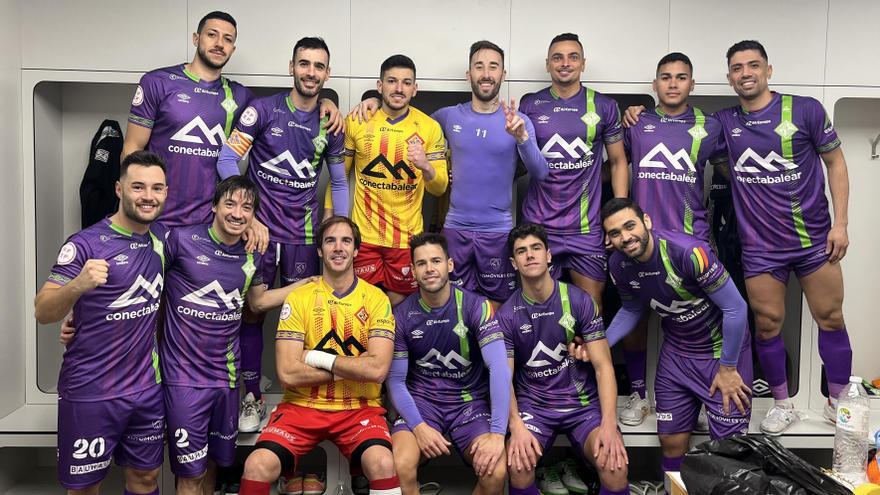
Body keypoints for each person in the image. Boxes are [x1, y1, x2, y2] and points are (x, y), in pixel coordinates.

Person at [624, 40, 852, 435]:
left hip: (813, 238)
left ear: (768, 70)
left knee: (830, 318)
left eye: (753, 66)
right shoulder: (723, 122)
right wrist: (635, 113)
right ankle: (782, 404)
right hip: (759, 245)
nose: (746, 73)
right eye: (737, 68)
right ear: (729, 77)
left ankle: (840, 401)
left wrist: (842, 223)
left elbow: (836, 162)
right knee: (766, 324)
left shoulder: (805, 109)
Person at [215, 36, 350, 433]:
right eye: (304, 64)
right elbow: (227, 158)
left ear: (327, 73)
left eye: (319, 66)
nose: (311, 72)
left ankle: (306, 399)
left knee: (305, 318)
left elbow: (339, 183)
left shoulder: (330, 122)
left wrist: (338, 234)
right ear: (291, 67)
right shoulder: (262, 111)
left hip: (304, 238)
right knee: (253, 312)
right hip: (258, 235)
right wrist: (247, 212)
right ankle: (253, 398)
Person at [348, 41, 548, 306]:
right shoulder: (447, 117)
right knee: (452, 306)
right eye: (479, 66)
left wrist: (522, 138)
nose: (486, 73)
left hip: (498, 231)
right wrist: (373, 100)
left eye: (493, 67)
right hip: (455, 229)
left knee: (497, 307)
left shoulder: (517, 121)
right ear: (469, 75)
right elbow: (406, 117)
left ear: (503, 74)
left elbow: (541, 173)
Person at [159, 177, 318, 494]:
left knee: (212, 467)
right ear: (214, 206)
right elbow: (143, 280)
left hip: (227, 378)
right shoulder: (180, 240)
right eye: (230, 204)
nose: (237, 213)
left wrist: (308, 283)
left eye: (247, 207)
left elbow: (258, 301)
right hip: (184, 378)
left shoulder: (251, 253)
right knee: (189, 474)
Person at [35, 150, 168, 495]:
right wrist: (78, 286)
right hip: (91, 392)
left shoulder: (164, 240)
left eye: (157, 188)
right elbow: (43, 311)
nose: (148, 196)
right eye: (138, 187)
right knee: (84, 489)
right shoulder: (85, 244)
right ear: (119, 189)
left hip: (146, 390)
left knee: (146, 480)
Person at [238, 216, 400, 495]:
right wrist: (351, 366)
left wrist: (314, 357)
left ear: (356, 250)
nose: (338, 248)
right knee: (256, 465)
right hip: (302, 408)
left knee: (384, 463)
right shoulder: (299, 298)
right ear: (320, 251)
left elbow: (377, 371)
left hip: (358, 408)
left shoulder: (376, 299)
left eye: (346, 241)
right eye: (330, 241)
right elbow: (287, 373)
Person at [601, 198, 751, 480]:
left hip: (721, 356)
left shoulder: (689, 252)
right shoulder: (619, 265)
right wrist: (599, 344)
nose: (625, 237)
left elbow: (736, 308)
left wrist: (729, 368)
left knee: (729, 452)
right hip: (677, 356)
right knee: (670, 443)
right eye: (615, 233)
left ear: (646, 221)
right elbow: (633, 308)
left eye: (629, 226)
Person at [616, 52, 728, 426]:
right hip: (640, 242)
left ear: (692, 84)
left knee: (693, 321)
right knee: (638, 317)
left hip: (688, 240)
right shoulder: (636, 122)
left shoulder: (709, 127)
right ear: (655, 85)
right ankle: (638, 394)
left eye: (681, 77)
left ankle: (694, 395)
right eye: (666, 77)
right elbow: (616, 164)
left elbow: (734, 172)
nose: (674, 83)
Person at [488, 224, 629, 495]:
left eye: (536, 248)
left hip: (583, 406)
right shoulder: (506, 315)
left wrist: (610, 426)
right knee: (518, 465)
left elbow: (604, 367)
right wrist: (515, 426)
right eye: (521, 251)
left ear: (549, 255)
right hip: (536, 407)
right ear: (513, 263)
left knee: (614, 466)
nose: (529, 255)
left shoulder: (579, 301)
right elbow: (502, 377)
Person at [387, 232, 510, 494]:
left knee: (496, 471)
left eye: (436, 261)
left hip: (469, 405)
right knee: (398, 465)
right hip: (422, 405)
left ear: (450, 265)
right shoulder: (401, 315)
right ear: (413, 271)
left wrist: (498, 434)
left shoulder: (477, 306)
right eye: (421, 263)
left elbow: (499, 367)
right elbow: (395, 381)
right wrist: (418, 427)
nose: (429, 269)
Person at [517, 33, 629, 310]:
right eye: (558, 57)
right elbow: (518, 161)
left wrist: (618, 214)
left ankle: (584, 355)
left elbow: (617, 161)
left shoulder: (604, 106)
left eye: (572, 57)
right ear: (548, 64)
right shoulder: (530, 105)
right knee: (538, 309)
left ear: (583, 63)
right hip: (539, 226)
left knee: (591, 309)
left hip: (586, 229)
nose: (565, 63)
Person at [327, 55, 448, 306]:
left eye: (406, 83)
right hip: (365, 237)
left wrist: (425, 165)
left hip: (406, 239)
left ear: (415, 89)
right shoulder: (358, 120)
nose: (399, 88)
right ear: (380, 85)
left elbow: (440, 188)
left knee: (403, 305)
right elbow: (338, 178)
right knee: (358, 304)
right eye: (392, 81)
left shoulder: (429, 127)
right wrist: (330, 221)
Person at [123, 11, 254, 237]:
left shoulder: (241, 97)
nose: (219, 44)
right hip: (154, 218)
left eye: (228, 39)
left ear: (233, 49)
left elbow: (282, 113)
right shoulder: (157, 83)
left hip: (207, 225)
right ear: (196, 38)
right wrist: (132, 210)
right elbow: (131, 149)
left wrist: (325, 102)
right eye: (212, 34)